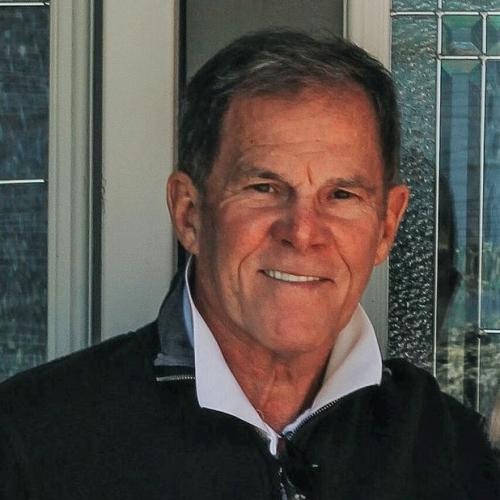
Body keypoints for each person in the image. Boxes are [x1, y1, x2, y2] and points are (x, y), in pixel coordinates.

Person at [1, 30, 498, 500]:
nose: (302, 232)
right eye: (264, 188)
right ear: (190, 213)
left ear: (386, 227)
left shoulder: (452, 451)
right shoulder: (30, 442)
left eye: (342, 195)